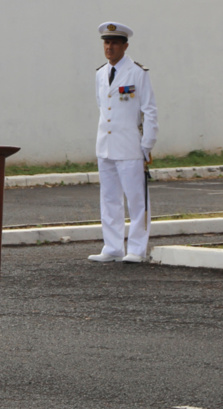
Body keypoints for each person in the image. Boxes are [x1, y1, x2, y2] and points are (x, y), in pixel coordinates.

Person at [89, 22, 158, 264]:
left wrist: (147, 143)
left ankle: (137, 249)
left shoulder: (137, 72)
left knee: (137, 199)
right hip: (106, 145)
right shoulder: (100, 73)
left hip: (130, 146)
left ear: (125, 46)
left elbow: (149, 110)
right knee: (109, 199)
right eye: (106, 43)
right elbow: (103, 106)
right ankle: (112, 247)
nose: (109, 47)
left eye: (114, 43)